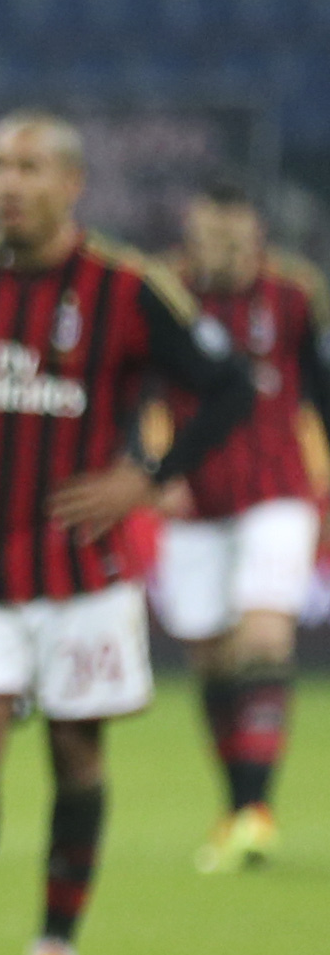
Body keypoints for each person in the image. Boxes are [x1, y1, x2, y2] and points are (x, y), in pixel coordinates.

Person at [0, 111, 251, 955]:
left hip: (82, 573)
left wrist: (151, 476)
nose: (8, 183)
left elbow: (229, 388)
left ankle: (55, 949)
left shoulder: (126, 288)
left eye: (30, 167)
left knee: (78, 754)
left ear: (71, 185)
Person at [153, 183, 329, 872]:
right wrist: (149, 468)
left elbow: (321, 387)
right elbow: (125, 384)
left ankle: (257, 810)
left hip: (277, 492)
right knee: (212, 659)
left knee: (264, 634)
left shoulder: (294, 294)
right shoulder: (162, 293)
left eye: (233, 229)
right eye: (208, 228)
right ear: (191, 229)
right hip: (195, 504)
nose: (221, 243)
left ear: (255, 229)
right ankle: (238, 807)